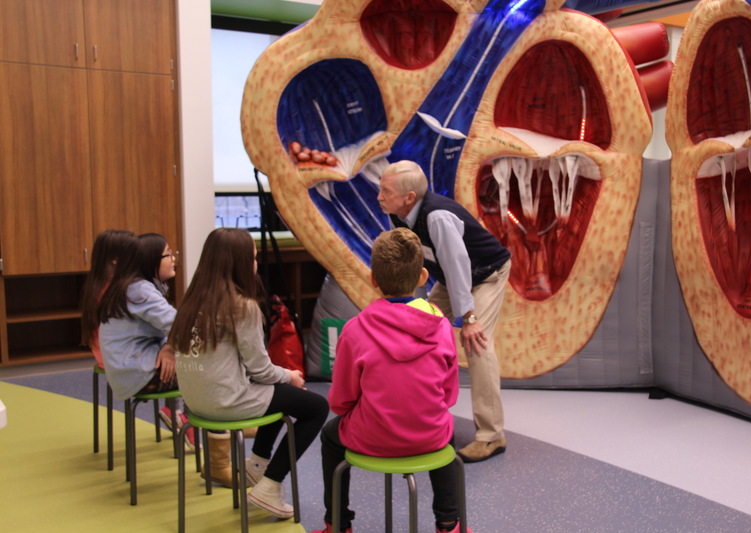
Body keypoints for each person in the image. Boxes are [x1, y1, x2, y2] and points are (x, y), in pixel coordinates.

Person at [312, 228, 470, 533]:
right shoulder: (440, 325)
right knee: (445, 428)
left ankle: (338, 524)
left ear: (373, 279)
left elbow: (341, 401)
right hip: (429, 436)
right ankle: (449, 524)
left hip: (371, 436)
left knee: (330, 438)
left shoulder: (355, 330)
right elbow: (448, 396)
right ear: (423, 277)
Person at [169, 228, 328, 518]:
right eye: (253, 258)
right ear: (239, 263)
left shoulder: (191, 302)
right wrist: (290, 375)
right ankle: (270, 484)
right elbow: (261, 369)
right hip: (225, 402)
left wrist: (284, 381)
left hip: (194, 403)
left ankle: (257, 464)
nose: (256, 264)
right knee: (316, 406)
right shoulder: (241, 307)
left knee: (284, 396)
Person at [378, 160, 512, 463]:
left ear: (409, 197)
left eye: (385, 191)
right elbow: (419, 267)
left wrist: (470, 319)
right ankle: (420, 419)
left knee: (477, 344)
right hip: (454, 278)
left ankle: (492, 436)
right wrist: (413, 310)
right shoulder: (399, 216)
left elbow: (458, 268)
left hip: (486, 274)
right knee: (414, 331)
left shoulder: (436, 217)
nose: (379, 197)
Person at [96, 232, 195, 450]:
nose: (173, 259)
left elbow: (171, 326)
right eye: (168, 254)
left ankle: (184, 420)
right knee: (206, 368)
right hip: (138, 372)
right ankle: (194, 427)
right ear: (150, 260)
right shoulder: (140, 290)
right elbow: (181, 326)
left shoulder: (132, 285)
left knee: (195, 359)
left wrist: (169, 347)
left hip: (130, 367)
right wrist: (170, 346)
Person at [80, 229, 136, 369]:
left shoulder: (99, 285)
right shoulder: (119, 288)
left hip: (105, 357)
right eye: (133, 251)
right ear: (115, 259)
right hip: (121, 360)